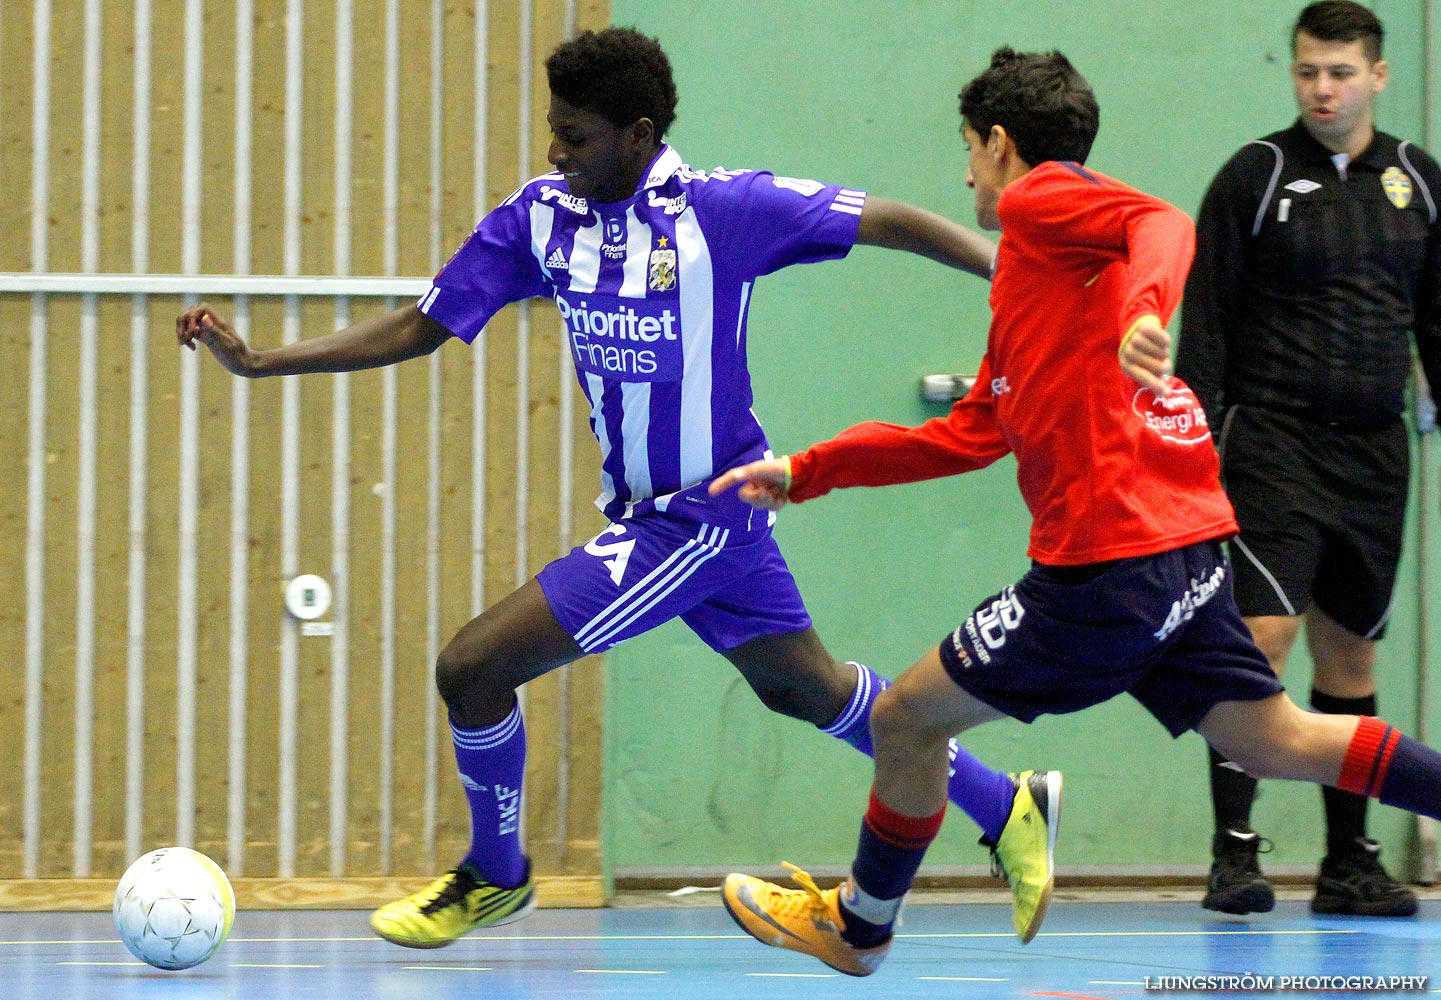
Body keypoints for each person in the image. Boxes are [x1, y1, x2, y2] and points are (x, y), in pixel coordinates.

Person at [176, 27, 1055, 949]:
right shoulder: (539, 217)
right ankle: (1007, 804)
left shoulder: (727, 211)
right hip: (668, 515)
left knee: (471, 667)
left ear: (637, 135)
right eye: (552, 131)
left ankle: (497, 873)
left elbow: (888, 220)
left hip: (699, 517)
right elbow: (425, 322)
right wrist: (265, 362)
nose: (556, 152)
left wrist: (1015, 268)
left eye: (577, 136)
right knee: (808, 689)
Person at [713, 46, 1441, 978]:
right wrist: (805, 471)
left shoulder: (1038, 201)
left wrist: (1146, 311)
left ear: (1001, 144)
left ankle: (860, 927)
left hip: (1108, 571)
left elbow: (1162, 224)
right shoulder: (1034, 282)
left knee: (902, 720)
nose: (966, 170)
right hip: (1188, 554)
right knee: (1275, 738)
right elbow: (967, 435)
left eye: (969, 148)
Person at [1167, 0, 1441, 918]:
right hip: (1268, 442)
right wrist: (1191, 444)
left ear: (1376, 75)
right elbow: (1203, 319)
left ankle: (1348, 862)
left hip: (1372, 450)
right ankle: (1233, 855)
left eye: (1338, 72)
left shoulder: (1417, 179)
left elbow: (1434, 322)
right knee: (1261, 640)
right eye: (1306, 72)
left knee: (1348, 654)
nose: (1321, 89)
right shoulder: (1256, 175)